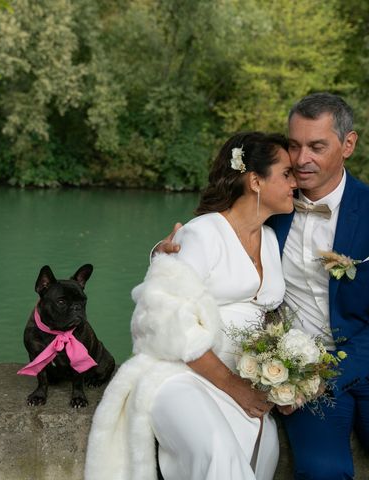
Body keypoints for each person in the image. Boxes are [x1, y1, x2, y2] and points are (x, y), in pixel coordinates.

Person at [156, 93, 369, 479]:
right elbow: (215, 232)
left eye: (317, 146)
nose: (302, 158)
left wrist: (331, 374)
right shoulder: (273, 207)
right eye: (294, 145)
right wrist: (163, 253)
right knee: (322, 471)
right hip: (297, 373)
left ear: (348, 145)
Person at [84, 131, 297, 480]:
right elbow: (162, 317)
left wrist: (286, 378)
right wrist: (233, 386)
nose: (295, 183)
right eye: (286, 174)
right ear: (256, 180)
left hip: (241, 381)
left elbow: (274, 321)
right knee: (217, 450)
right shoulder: (202, 234)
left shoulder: (272, 240)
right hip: (180, 377)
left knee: (264, 449)